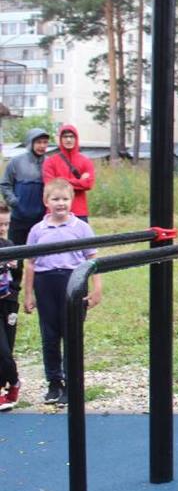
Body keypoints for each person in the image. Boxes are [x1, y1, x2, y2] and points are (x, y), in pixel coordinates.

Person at [22, 178, 103, 406]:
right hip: (45, 283)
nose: (60, 203)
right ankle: (54, 382)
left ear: (72, 201)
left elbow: (92, 259)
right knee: (49, 336)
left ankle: (72, 384)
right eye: (55, 199)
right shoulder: (37, 230)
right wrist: (28, 295)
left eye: (65, 199)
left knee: (72, 334)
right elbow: (30, 262)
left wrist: (97, 289)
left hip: (73, 282)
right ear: (46, 201)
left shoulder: (81, 228)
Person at [0, 128, 50, 245]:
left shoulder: (50, 163)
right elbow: (5, 184)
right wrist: (14, 202)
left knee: (40, 252)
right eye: (38, 142)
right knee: (16, 252)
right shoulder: (16, 162)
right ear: (30, 142)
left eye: (44, 142)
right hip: (19, 216)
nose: (42, 146)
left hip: (41, 217)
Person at [42, 125, 95, 222]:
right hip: (55, 211)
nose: (69, 139)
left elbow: (88, 184)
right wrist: (79, 182)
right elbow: (50, 185)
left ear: (76, 138)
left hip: (79, 212)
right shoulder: (50, 161)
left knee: (83, 237)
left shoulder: (85, 161)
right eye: (65, 137)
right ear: (60, 139)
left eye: (71, 136)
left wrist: (60, 181)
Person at [0, 203, 21, 411]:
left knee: (8, 348)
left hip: (8, 302)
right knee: (2, 349)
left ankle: (12, 384)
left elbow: (18, 277)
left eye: (6, 224)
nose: (3, 228)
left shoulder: (10, 245)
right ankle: (11, 383)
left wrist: (12, 291)